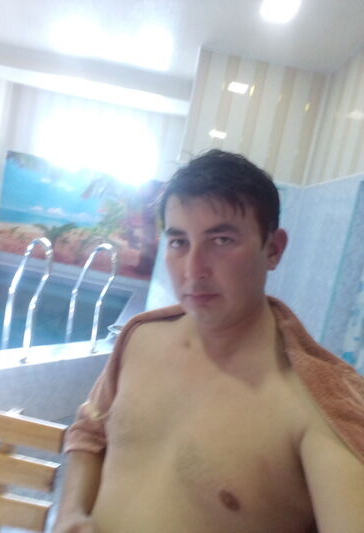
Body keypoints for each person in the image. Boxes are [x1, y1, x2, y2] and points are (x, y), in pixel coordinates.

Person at [54, 150, 364, 533]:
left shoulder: (319, 406)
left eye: (221, 239)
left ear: (273, 249)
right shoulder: (140, 338)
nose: (193, 269)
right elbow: (90, 431)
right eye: (179, 242)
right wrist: (71, 513)